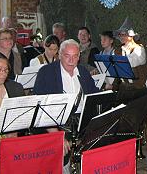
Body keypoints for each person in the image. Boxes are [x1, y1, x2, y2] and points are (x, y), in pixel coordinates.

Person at [33, 39, 99, 173]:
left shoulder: (83, 72)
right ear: (60, 55)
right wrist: (57, 135)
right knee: (61, 156)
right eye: (67, 56)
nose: (71, 60)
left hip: (82, 122)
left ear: (79, 57)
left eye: (75, 56)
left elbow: (94, 97)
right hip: (56, 123)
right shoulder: (46, 73)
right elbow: (41, 108)